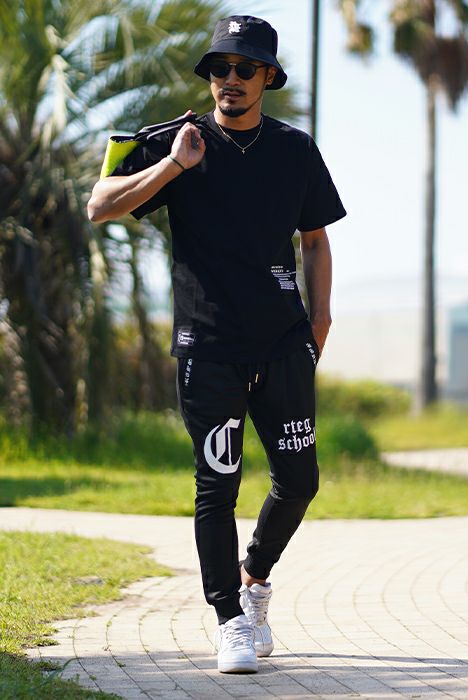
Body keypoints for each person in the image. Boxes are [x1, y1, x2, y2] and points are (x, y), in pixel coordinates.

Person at [87, 14, 346, 674]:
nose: (230, 79)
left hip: (284, 343)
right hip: (207, 346)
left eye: (244, 68)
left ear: (267, 78)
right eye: (220, 68)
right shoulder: (174, 140)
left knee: (300, 481)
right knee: (216, 486)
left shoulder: (295, 150)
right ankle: (229, 619)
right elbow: (100, 204)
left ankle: (254, 579)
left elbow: (315, 241)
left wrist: (319, 322)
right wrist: (174, 165)